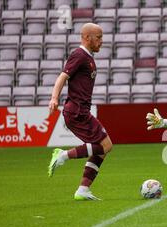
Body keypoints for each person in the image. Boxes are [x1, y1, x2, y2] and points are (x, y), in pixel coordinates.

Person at [47, 23, 112, 201]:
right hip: (77, 112)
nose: (101, 41)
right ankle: (62, 155)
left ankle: (83, 190)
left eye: (101, 37)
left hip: (81, 111)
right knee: (105, 146)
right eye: (98, 37)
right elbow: (62, 77)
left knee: (104, 148)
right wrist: (54, 98)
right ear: (87, 37)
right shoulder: (79, 55)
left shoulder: (89, 57)